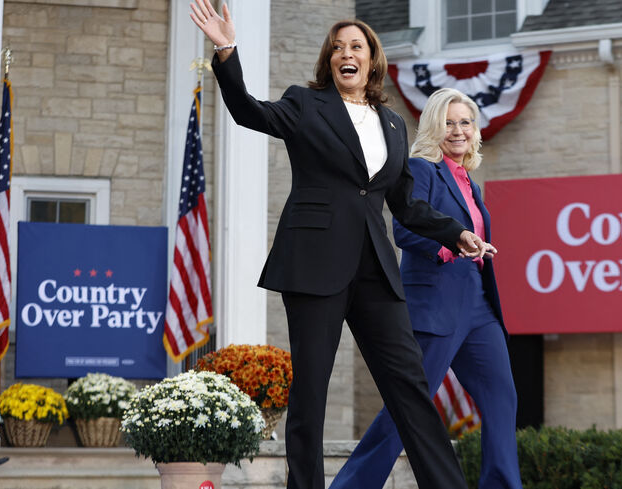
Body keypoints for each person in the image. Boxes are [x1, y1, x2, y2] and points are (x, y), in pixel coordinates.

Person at [190, 2, 495, 489]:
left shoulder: (393, 124)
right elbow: (248, 111)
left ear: (372, 59)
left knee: (410, 387)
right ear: (329, 60)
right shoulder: (306, 105)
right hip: (314, 263)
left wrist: (454, 232)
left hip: (374, 267)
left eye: (355, 46)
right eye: (337, 48)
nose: (344, 54)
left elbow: (406, 204)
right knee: (311, 394)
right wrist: (226, 49)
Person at [329, 88, 522, 489]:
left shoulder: (469, 181)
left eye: (465, 122)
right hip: (436, 305)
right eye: (448, 123)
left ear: (475, 130)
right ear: (434, 126)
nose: (458, 131)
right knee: (408, 408)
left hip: (479, 307)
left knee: (502, 398)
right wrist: (454, 242)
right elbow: (404, 228)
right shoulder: (422, 168)